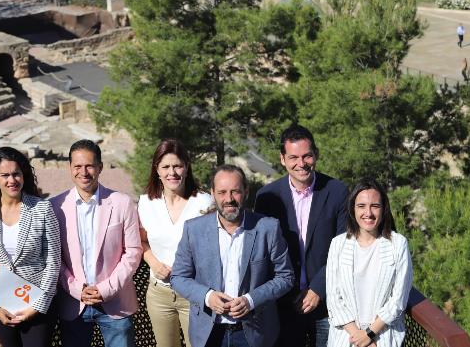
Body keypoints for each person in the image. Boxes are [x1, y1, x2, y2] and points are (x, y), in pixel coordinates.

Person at [171, 164, 294, 347]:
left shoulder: (268, 228)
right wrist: (208, 296)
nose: (229, 199)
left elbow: (286, 277)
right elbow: (178, 277)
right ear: (212, 193)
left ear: (245, 191)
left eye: (235, 191)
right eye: (222, 192)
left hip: (254, 332)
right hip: (209, 333)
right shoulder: (193, 229)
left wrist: (251, 300)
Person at [254, 124, 348, 347]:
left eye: (307, 156)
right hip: (283, 305)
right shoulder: (267, 197)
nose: (301, 163)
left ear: (316, 154)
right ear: (282, 159)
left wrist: (317, 288)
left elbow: (344, 248)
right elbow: (262, 253)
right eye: (293, 157)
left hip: (327, 303)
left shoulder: (337, 192)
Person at [50, 139, 142, 347]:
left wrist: (106, 289)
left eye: (89, 165)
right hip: (74, 305)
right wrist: (75, 289)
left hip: (116, 304)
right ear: (70, 168)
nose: (84, 172)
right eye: (78, 166)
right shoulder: (56, 206)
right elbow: (54, 257)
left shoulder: (122, 202)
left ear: (100, 167)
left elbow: (133, 252)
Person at [0, 147, 61, 347]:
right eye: (5, 175)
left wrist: (36, 306)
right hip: (0, 301)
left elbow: (53, 263)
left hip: (36, 302)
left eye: (16, 174)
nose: (12, 180)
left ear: (24, 175)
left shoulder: (42, 208)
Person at [138, 139, 213, 347]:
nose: (172, 172)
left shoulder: (204, 203)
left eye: (177, 166)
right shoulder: (146, 202)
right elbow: (141, 241)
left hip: (195, 295)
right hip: (159, 295)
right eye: (166, 167)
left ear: (187, 168)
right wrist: (154, 263)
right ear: (157, 170)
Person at [326, 178, 413, 347]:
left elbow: (398, 299)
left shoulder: (398, 244)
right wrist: (360, 337)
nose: (368, 213)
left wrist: (370, 334)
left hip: (383, 338)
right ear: (352, 209)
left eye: (375, 206)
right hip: (346, 338)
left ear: (384, 209)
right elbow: (334, 300)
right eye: (361, 206)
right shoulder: (338, 244)